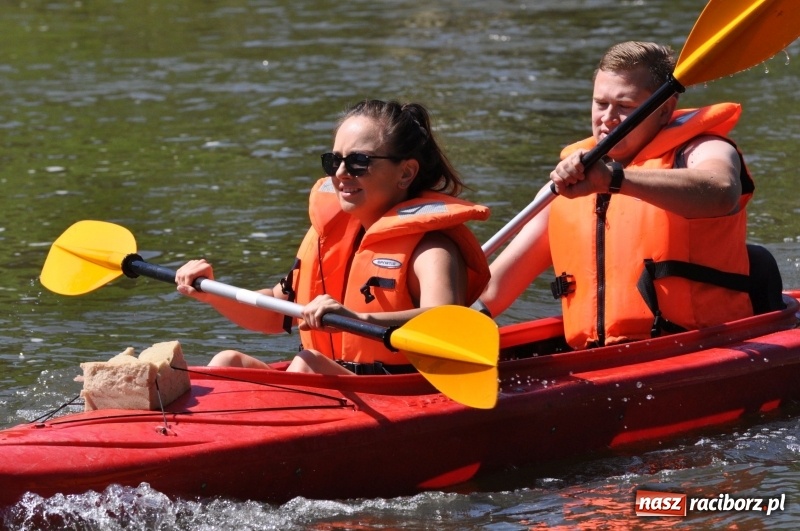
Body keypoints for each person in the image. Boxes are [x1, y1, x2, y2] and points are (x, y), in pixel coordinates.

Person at [479, 41, 766, 350]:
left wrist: (614, 179)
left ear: (665, 110)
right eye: (600, 103)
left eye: (625, 107)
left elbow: (722, 191)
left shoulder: (701, 149)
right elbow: (492, 292)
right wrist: (443, 319)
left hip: (702, 346)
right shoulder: (568, 187)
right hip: (599, 356)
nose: (608, 118)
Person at [175, 99, 490, 374]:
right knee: (227, 361)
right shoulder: (333, 236)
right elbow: (277, 313)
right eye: (334, 161)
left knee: (307, 364)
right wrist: (211, 292)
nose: (340, 173)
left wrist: (356, 317)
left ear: (405, 173)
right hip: (329, 384)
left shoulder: (431, 249)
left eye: (359, 162)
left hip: (392, 394)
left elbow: (448, 323)